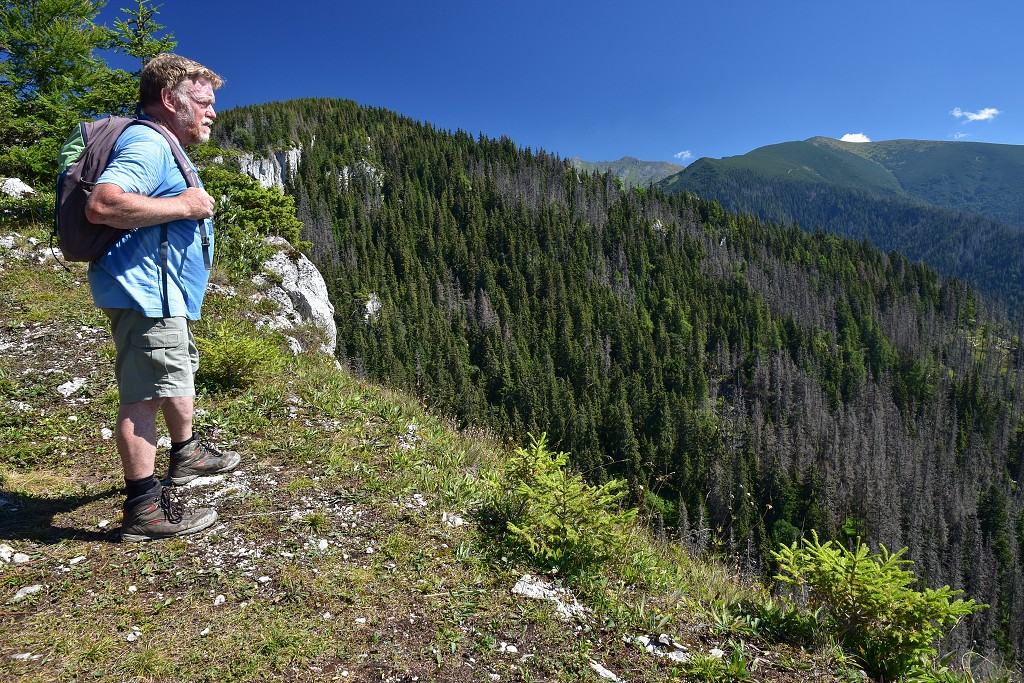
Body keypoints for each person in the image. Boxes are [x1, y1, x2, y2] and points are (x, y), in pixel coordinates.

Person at [84, 53, 240, 542]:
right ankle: (144, 507)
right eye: (204, 101)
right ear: (171, 100)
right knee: (144, 394)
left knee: (175, 371)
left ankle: (187, 452)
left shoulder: (165, 144)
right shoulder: (148, 142)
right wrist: (186, 205)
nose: (213, 112)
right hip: (146, 294)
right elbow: (103, 203)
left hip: (162, 294)